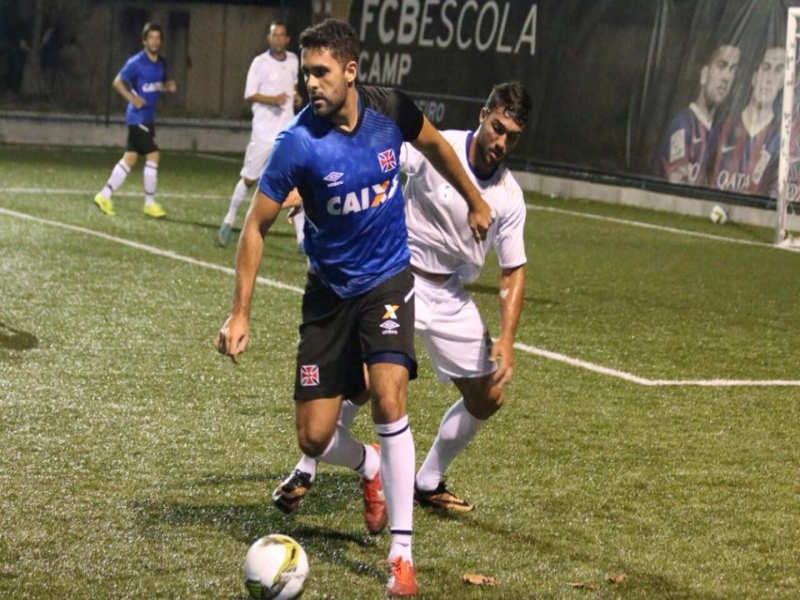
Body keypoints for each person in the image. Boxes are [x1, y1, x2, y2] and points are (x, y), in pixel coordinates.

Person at [213, 18, 493, 598]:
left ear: (350, 70)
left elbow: (436, 146)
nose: (310, 83)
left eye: (320, 72)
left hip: (388, 281)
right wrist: (240, 312)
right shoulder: (297, 143)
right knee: (313, 438)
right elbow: (256, 226)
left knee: (390, 397)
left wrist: (473, 198)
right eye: (306, 73)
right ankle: (368, 465)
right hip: (328, 294)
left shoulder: (391, 110)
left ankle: (401, 556)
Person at [273, 82, 530, 515]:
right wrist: (314, 185)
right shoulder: (440, 147)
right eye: (498, 128)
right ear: (483, 116)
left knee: (488, 396)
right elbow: (376, 154)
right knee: (363, 383)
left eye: (513, 137)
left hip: (449, 294)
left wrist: (506, 337)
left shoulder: (509, 197)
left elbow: (513, 270)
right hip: (396, 276)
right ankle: (306, 466)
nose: (501, 142)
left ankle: (426, 481)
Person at [217, 21, 302, 247]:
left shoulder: (294, 60)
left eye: (281, 35)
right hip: (263, 133)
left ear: (287, 39)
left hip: (286, 133)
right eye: (274, 34)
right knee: (249, 178)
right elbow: (250, 94)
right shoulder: (259, 62)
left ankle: (302, 239)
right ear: (269, 38)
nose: (278, 38)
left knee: (296, 183)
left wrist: (296, 97)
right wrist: (273, 99)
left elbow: (293, 87)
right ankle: (228, 220)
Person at [93, 22, 176, 218]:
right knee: (153, 156)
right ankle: (149, 203)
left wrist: (168, 86)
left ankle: (104, 196)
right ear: (144, 41)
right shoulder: (136, 62)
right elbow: (117, 81)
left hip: (147, 117)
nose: (155, 41)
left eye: (158, 38)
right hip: (138, 117)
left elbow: (162, 84)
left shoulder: (161, 63)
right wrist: (132, 98)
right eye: (151, 38)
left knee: (129, 159)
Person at [657, 43, 740, 185]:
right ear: (704, 75)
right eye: (721, 66)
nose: (726, 77)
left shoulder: (718, 134)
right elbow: (677, 185)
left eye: (732, 69)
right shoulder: (683, 125)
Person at [709, 45, 785, 196]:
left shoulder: (780, 142)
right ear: (754, 76)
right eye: (766, 68)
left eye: (778, 71)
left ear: (783, 83)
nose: (769, 79)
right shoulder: (723, 129)